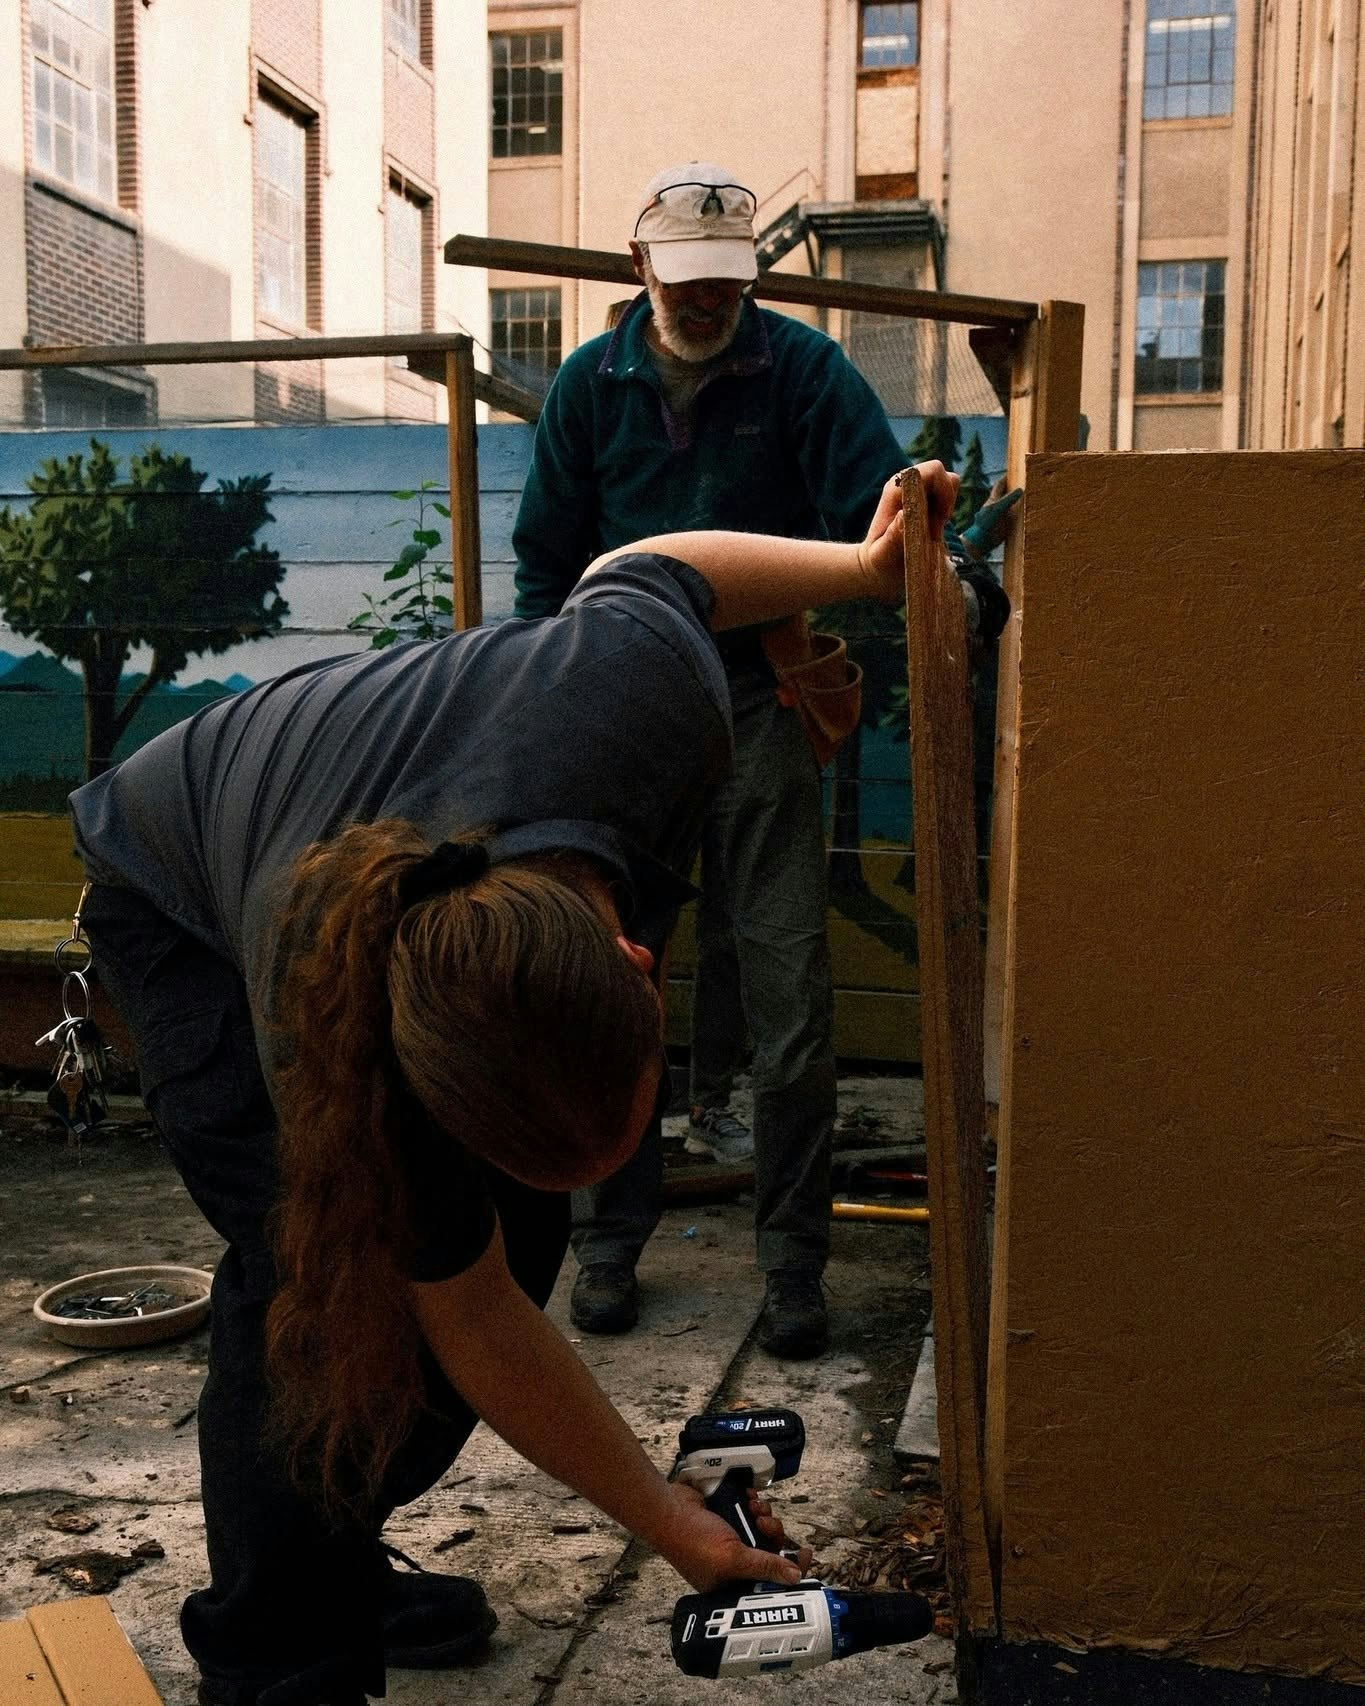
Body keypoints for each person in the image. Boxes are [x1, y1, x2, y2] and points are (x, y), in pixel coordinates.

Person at [69, 466, 958, 1706]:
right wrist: (666, 1516)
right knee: (318, 1298)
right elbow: (469, 1312)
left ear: (634, 962)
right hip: (181, 893)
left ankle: (334, 1553)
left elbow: (653, 568)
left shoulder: (640, 693)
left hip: (366, 819)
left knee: (515, 1237)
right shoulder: (328, 1027)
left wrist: (862, 571)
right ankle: (277, 1652)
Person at [513, 160, 1007, 1361]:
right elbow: (543, 565)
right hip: (624, 710)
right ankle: (608, 1240)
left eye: (725, 281)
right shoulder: (588, 387)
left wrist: (936, 538)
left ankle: (793, 1263)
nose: (705, 299)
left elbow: (879, 513)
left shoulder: (805, 372)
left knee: (791, 1002)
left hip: (760, 700)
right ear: (641, 267)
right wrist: (545, 710)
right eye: (684, 279)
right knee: (608, 976)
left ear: (749, 275)